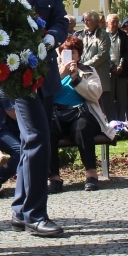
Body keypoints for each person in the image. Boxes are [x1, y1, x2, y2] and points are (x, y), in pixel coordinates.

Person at [0, 0, 68, 235]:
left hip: (45, 72)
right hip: (14, 76)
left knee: (32, 139)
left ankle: (22, 209)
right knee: (37, 138)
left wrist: (52, 37)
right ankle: (35, 213)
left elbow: (60, 19)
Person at [48, 36, 114, 191]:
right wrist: (61, 74)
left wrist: (76, 78)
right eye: (66, 52)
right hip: (56, 114)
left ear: (79, 54)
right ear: (60, 53)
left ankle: (91, 174)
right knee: (47, 129)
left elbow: (95, 94)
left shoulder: (88, 71)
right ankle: (54, 178)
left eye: (74, 53)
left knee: (82, 127)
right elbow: (46, 93)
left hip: (80, 113)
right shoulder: (53, 72)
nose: (70, 56)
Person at [80, 11, 112, 117]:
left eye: (88, 20)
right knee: (91, 110)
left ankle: (110, 131)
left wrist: (84, 66)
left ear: (96, 21)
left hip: (100, 77)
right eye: (84, 20)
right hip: (86, 78)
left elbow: (102, 55)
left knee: (105, 110)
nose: (85, 22)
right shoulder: (83, 35)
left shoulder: (103, 35)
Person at [104, 13, 128, 121]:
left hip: (122, 71)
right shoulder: (103, 35)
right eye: (113, 22)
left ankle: (121, 122)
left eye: (117, 22)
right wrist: (112, 66)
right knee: (109, 99)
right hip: (107, 72)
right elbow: (103, 54)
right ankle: (110, 122)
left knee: (122, 99)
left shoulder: (123, 35)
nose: (115, 24)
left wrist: (121, 65)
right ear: (107, 23)